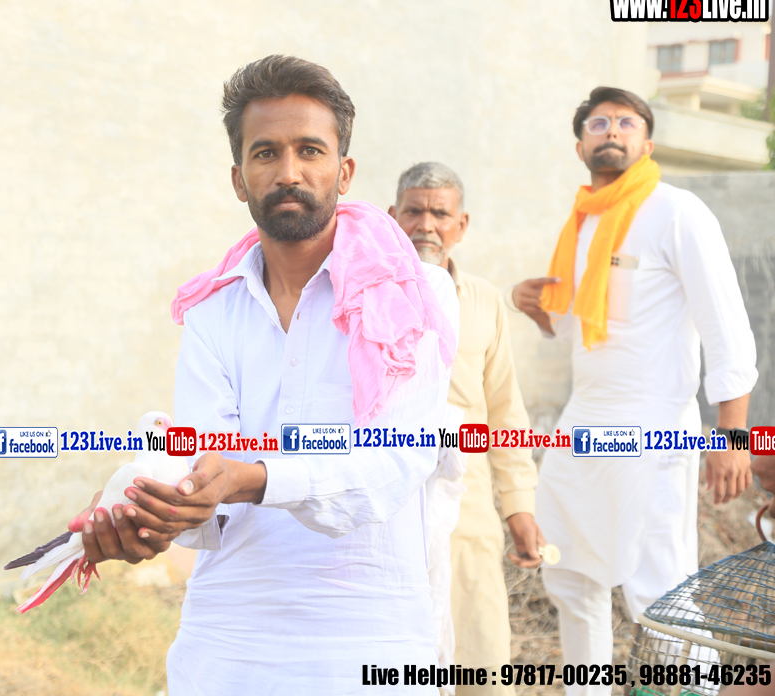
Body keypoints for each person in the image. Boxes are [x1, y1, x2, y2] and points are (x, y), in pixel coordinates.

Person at [64, 55, 460, 694]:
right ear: (239, 179)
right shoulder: (211, 311)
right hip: (227, 641)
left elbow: (394, 462)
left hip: (368, 637)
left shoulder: (417, 293)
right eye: (266, 153)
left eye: (310, 150)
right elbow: (203, 471)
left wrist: (251, 478)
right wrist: (153, 514)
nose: (289, 172)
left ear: (344, 171)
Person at [511, 86, 757, 695]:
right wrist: (537, 311)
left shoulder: (676, 211)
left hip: (654, 425)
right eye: (598, 123)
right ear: (580, 146)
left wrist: (732, 436)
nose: (612, 131)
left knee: (658, 588)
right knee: (569, 575)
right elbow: (578, 330)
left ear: (647, 144)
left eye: (627, 122)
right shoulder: (582, 222)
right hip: (582, 422)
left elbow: (727, 328)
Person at [389, 162, 543, 696]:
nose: (426, 225)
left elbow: (505, 409)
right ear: (392, 217)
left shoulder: (482, 299)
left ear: (462, 224)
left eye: (440, 213)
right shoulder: (365, 290)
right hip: (386, 499)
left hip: (469, 503)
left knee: (481, 655)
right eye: (414, 211)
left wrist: (518, 506)